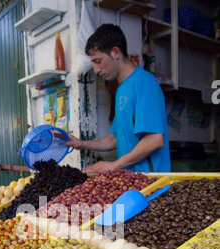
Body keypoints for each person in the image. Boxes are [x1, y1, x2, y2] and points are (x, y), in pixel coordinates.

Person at [66, 24, 171, 174]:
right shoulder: (121, 89)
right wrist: (80, 143)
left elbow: (155, 139)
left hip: (151, 184)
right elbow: (115, 139)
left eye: (98, 61)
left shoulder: (144, 82)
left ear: (115, 52)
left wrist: (113, 165)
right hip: (131, 183)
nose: (96, 70)